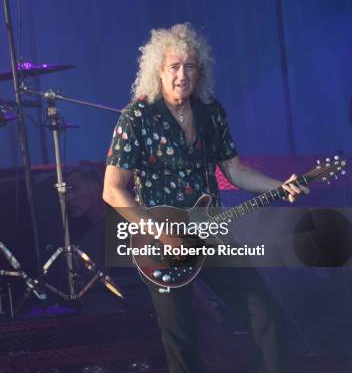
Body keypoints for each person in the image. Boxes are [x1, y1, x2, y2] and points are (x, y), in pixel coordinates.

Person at [102, 23, 308, 372]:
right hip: (161, 243)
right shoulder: (137, 117)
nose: (183, 75)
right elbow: (111, 190)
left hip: (209, 230)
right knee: (182, 344)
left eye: (190, 66)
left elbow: (235, 170)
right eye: (174, 67)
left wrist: (279, 184)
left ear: (200, 70)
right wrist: (160, 233)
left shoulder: (211, 112)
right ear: (159, 71)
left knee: (266, 315)